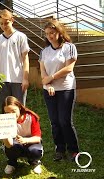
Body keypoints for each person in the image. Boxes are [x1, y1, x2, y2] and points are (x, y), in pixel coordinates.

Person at [39, 19, 79, 162]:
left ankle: (73, 150)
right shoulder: (44, 51)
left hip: (66, 89)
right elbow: (43, 73)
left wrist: (52, 78)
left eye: (52, 32)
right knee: (54, 122)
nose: (50, 36)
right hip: (49, 90)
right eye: (47, 33)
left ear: (59, 32)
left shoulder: (69, 47)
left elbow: (69, 68)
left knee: (65, 121)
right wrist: (48, 83)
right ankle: (60, 149)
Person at [0, 9, 30, 113]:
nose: (4, 26)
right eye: (1, 24)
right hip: (2, 80)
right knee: (5, 110)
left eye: (6, 23)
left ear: (12, 20)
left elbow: (25, 58)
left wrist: (25, 79)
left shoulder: (21, 37)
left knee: (20, 109)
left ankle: (21, 129)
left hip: (18, 79)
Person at [2, 96, 43, 174]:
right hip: (15, 143)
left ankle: (35, 162)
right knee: (9, 148)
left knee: (35, 151)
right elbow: (8, 144)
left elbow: (38, 138)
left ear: (19, 108)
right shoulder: (4, 121)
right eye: (7, 112)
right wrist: (5, 134)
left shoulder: (31, 117)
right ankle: (12, 163)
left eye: (13, 111)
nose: (11, 114)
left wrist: (25, 140)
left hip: (31, 141)